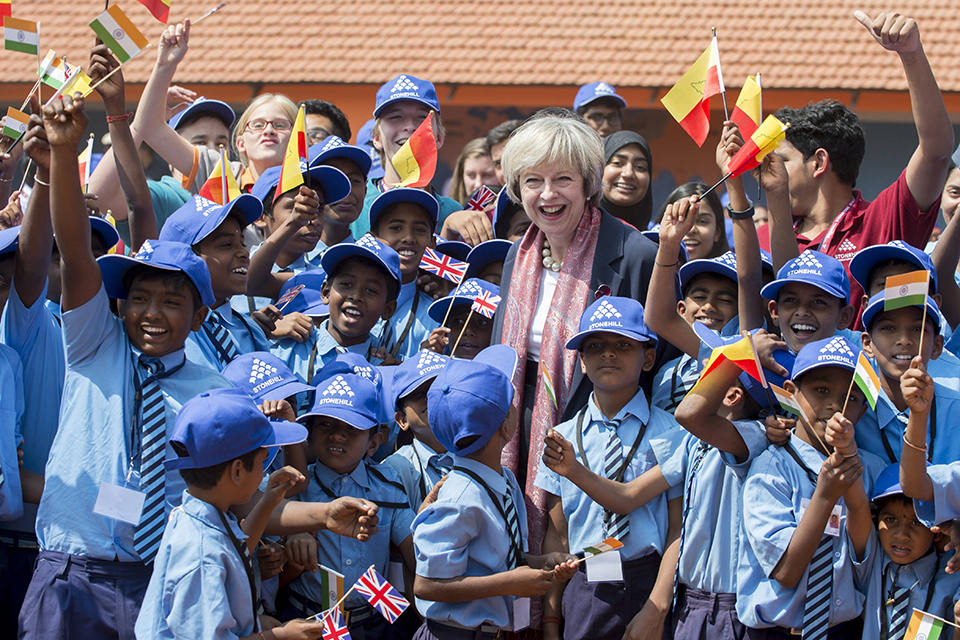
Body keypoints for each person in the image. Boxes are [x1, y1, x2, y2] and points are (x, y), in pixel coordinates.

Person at [490, 112, 660, 576]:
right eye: (532, 181)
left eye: (562, 179)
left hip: (602, 437)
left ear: (588, 184)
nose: (547, 195)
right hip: (519, 427)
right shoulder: (514, 257)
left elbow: (656, 361)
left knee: (595, 576)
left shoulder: (636, 254)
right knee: (525, 562)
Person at [759, 11, 954, 325]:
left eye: (780, 161)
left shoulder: (881, 221)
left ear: (819, 162)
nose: (766, 173)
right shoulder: (765, 235)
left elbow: (937, 150)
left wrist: (911, 55)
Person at [535, 297, 681, 640]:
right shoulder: (563, 437)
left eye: (623, 344)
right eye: (595, 345)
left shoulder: (672, 432)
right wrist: (551, 618)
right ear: (581, 361)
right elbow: (558, 533)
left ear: (648, 358)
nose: (608, 353)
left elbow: (678, 528)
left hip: (650, 580)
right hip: (587, 583)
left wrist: (657, 607)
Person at [412, 345, 579, 638]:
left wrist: (540, 564)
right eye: (511, 405)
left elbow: (497, 558)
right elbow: (426, 584)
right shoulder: (461, 498)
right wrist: (508, 584)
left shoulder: (503, 482)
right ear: (504, 428)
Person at [133, 387, 324, 640]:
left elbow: (238, 548)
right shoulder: (202, 557)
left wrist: (268, 500)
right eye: (262, 461)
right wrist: (280, 636)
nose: (264, 473)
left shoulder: (196, 513)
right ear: (236, 472)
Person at [737, 336, 885, 638]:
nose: (835, 405)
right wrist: (825, 496)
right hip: (778, 632)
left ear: (864, 411)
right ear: (791, 393)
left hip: (843, 629)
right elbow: (787, 572)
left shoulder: (872, 470)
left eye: (851, 398)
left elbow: (864, 562)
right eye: (820, 390)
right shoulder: (770, 468)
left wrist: (853, 493)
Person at [282, 372, 416, 638]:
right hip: (307, 622)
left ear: (374, 443)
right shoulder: (291, 487)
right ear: (308, 433)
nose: (338, 436)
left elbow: (415, 553)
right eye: (326, 424)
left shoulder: (388, 486)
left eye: (351, 429)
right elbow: (268, 570)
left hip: (376, 621)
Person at [136, 21, 297, 195]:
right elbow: (150, 128)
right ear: (240, 143)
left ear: (297, 137)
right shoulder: (220, 174)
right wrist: (164, 66)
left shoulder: (311, 184)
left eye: (280, 125)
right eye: (258, 125)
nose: (269, 130)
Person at [158, 194, 271, 371]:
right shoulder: (168, 330)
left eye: (242, 243)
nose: (244, 253)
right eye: (226, 244)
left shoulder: (250, 330)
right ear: (187, 259)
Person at [850, 464, 960, 640]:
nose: (902, 535)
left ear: (939, 532)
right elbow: (855, 507)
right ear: (875, 522)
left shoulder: (951, 581)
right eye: (890, 519)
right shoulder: (870, 564)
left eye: (917, 523)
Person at [270, 236, 400, 382]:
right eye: (346, 284)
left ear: (388, 309)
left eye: (371, 290)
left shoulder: (383, 373)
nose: (356, 296)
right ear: (326, 292)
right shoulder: (288, 350)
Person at [856, 293, 960, 464]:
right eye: (888, 328)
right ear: (868, 344)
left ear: (937, 346)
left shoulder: (956, 410)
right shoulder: (855, 412)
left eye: (918, 329)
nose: (904, 340)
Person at [368, 188, 440, 361]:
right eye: (396, 227)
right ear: (373, 239)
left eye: (420, 230)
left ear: (432, 243)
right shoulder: (347, 299)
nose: (408, 237)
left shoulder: (435, 318)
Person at [384, 349, 452, 510]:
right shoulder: (396, 468)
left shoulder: (477, 453)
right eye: (418, 393)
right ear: (402, 420)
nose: (429, 397)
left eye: (439, 387)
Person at [305, 135, 373, 263]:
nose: (346, 190)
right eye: (332, 179)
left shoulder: (372, 262)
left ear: (365, 190)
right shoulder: (281, 259)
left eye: (354, 180)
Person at [422, 278, 500, 359]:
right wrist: (426, 363)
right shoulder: (434, 368)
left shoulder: (511, 370)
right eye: (458, 321)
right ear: (445, 335)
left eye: (482, 322)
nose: (468, 331)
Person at [655, 183, 730, 261]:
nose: (691, 229)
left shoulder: (734, 272)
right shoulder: (645, 270)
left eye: (702, 221)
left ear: (718, 232)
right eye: (680, 219)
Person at [599, 131, 653, 230]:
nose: (628, 174)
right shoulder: (571, 233)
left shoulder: (658, 239)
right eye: (618, 163)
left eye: (640, 167)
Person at [450, 138, 497, 206]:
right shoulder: (448, 213)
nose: (478, 184)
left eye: (487, 175)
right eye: (470, 175)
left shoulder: (516, 214)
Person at [486, 119, 522, 187]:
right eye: (498, 164)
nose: (506, 173)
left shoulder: (546, 195)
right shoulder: (488, 197)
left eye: (511, 161)